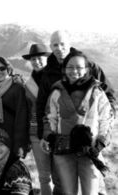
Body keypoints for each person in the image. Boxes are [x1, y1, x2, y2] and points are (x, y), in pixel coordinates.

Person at [41, 50, 113, 195]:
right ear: (64, 69)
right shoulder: (57, 92)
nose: (74, 71)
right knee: (69, 192)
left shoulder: (97, 92)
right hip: (63, 151)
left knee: (91, 192)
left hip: (90, 150)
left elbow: (106, 119)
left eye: (79, 67)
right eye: (70, 67)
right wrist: (50, 137)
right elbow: (50, 117)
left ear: (87, 69)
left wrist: (99, 144)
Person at [0, 57, 30, 158]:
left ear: (8, 69)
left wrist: (19, 143)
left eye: (2, 68)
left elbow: (21, 117)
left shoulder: (17, 87)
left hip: (11, 135)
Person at [22, 44, 52, 195]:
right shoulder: (28, 85)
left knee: (61, 174)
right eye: (33, 59)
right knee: (44, 175)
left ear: (46, 58)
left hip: (57, 131)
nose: (36, 61)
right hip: (35, 132)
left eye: (40, 58)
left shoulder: (56, 79)